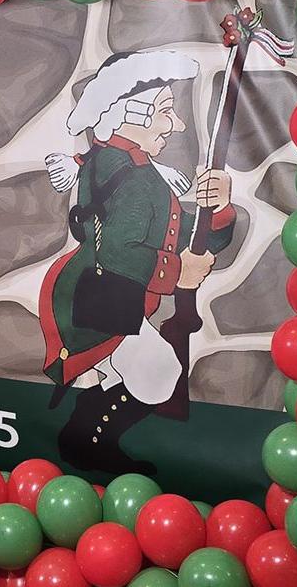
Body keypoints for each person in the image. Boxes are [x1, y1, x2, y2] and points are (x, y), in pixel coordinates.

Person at [41, 50, 235, 475]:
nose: (176, 124)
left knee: (139, 372)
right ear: (131, 112)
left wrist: (218, 210)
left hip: (103, 294)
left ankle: (86, 440)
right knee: (158, 371)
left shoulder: (133, 169)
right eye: (165, 111)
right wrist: (178, 271)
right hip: (100, 297)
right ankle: (87, 441)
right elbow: (120, 250)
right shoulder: (133, 175)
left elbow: (178, 232)